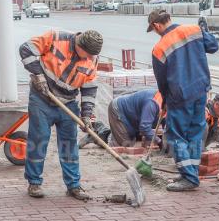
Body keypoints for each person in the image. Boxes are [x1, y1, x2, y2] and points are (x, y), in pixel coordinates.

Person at [18, 29, 102, 200]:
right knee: (39, 139)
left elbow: (89, 89)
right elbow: (26, 49)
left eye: (92, 56)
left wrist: (86, 115)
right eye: (87, 55)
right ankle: (34, 182)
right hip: (42, 98)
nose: (89, 59)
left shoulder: (91, 58)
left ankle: (73, 185)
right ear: (79, 45)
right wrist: (38, 75)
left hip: (68, 104)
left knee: (69, 145)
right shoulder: (55, 38)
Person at [147, 9, 219, 192]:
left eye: (153, 29)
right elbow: (213, 46)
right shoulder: (194, 30)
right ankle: (191, 172)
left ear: (156, 25)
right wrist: (204, 31)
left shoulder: (159, 48)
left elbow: (161, 81)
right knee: (195, 133)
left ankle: (189, 177)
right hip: (201, 90)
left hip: (180, 97)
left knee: (175, 136)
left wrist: (164, 102)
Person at [79, 89, 164, 149]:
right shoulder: (152, 103)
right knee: (124, 145)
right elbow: (144, 127)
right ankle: (96, 135)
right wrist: (160, 142)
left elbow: (168, 123)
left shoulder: (168, 102)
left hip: (133, 118)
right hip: (119, 110)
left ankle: (113, 133)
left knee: (138, 139)